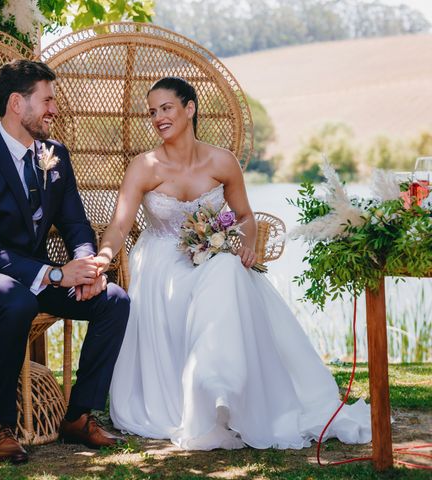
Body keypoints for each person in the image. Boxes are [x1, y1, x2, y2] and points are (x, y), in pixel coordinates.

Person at [95, 77, 371, 450]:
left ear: (189, 108)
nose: (158, 117)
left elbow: (244, 216)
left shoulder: (221, 161)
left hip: (212, 255)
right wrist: (104, 256)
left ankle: (225, 384)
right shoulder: (144, 167)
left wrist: (246, 244)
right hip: (162, 264)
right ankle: (210, 391)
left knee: (229, 271)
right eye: (152, 112)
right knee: (223, 277)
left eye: (166, 108)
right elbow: (119, 224)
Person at [0, 60, 130, 463]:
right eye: (47, 100)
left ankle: (79, 415)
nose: (54, 109)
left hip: (34, 280)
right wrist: (57, 274)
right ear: (16, 103)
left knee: (114, 300)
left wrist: (87, 266)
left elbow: (76, 223)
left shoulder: (55, 155)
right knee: (17, 299)